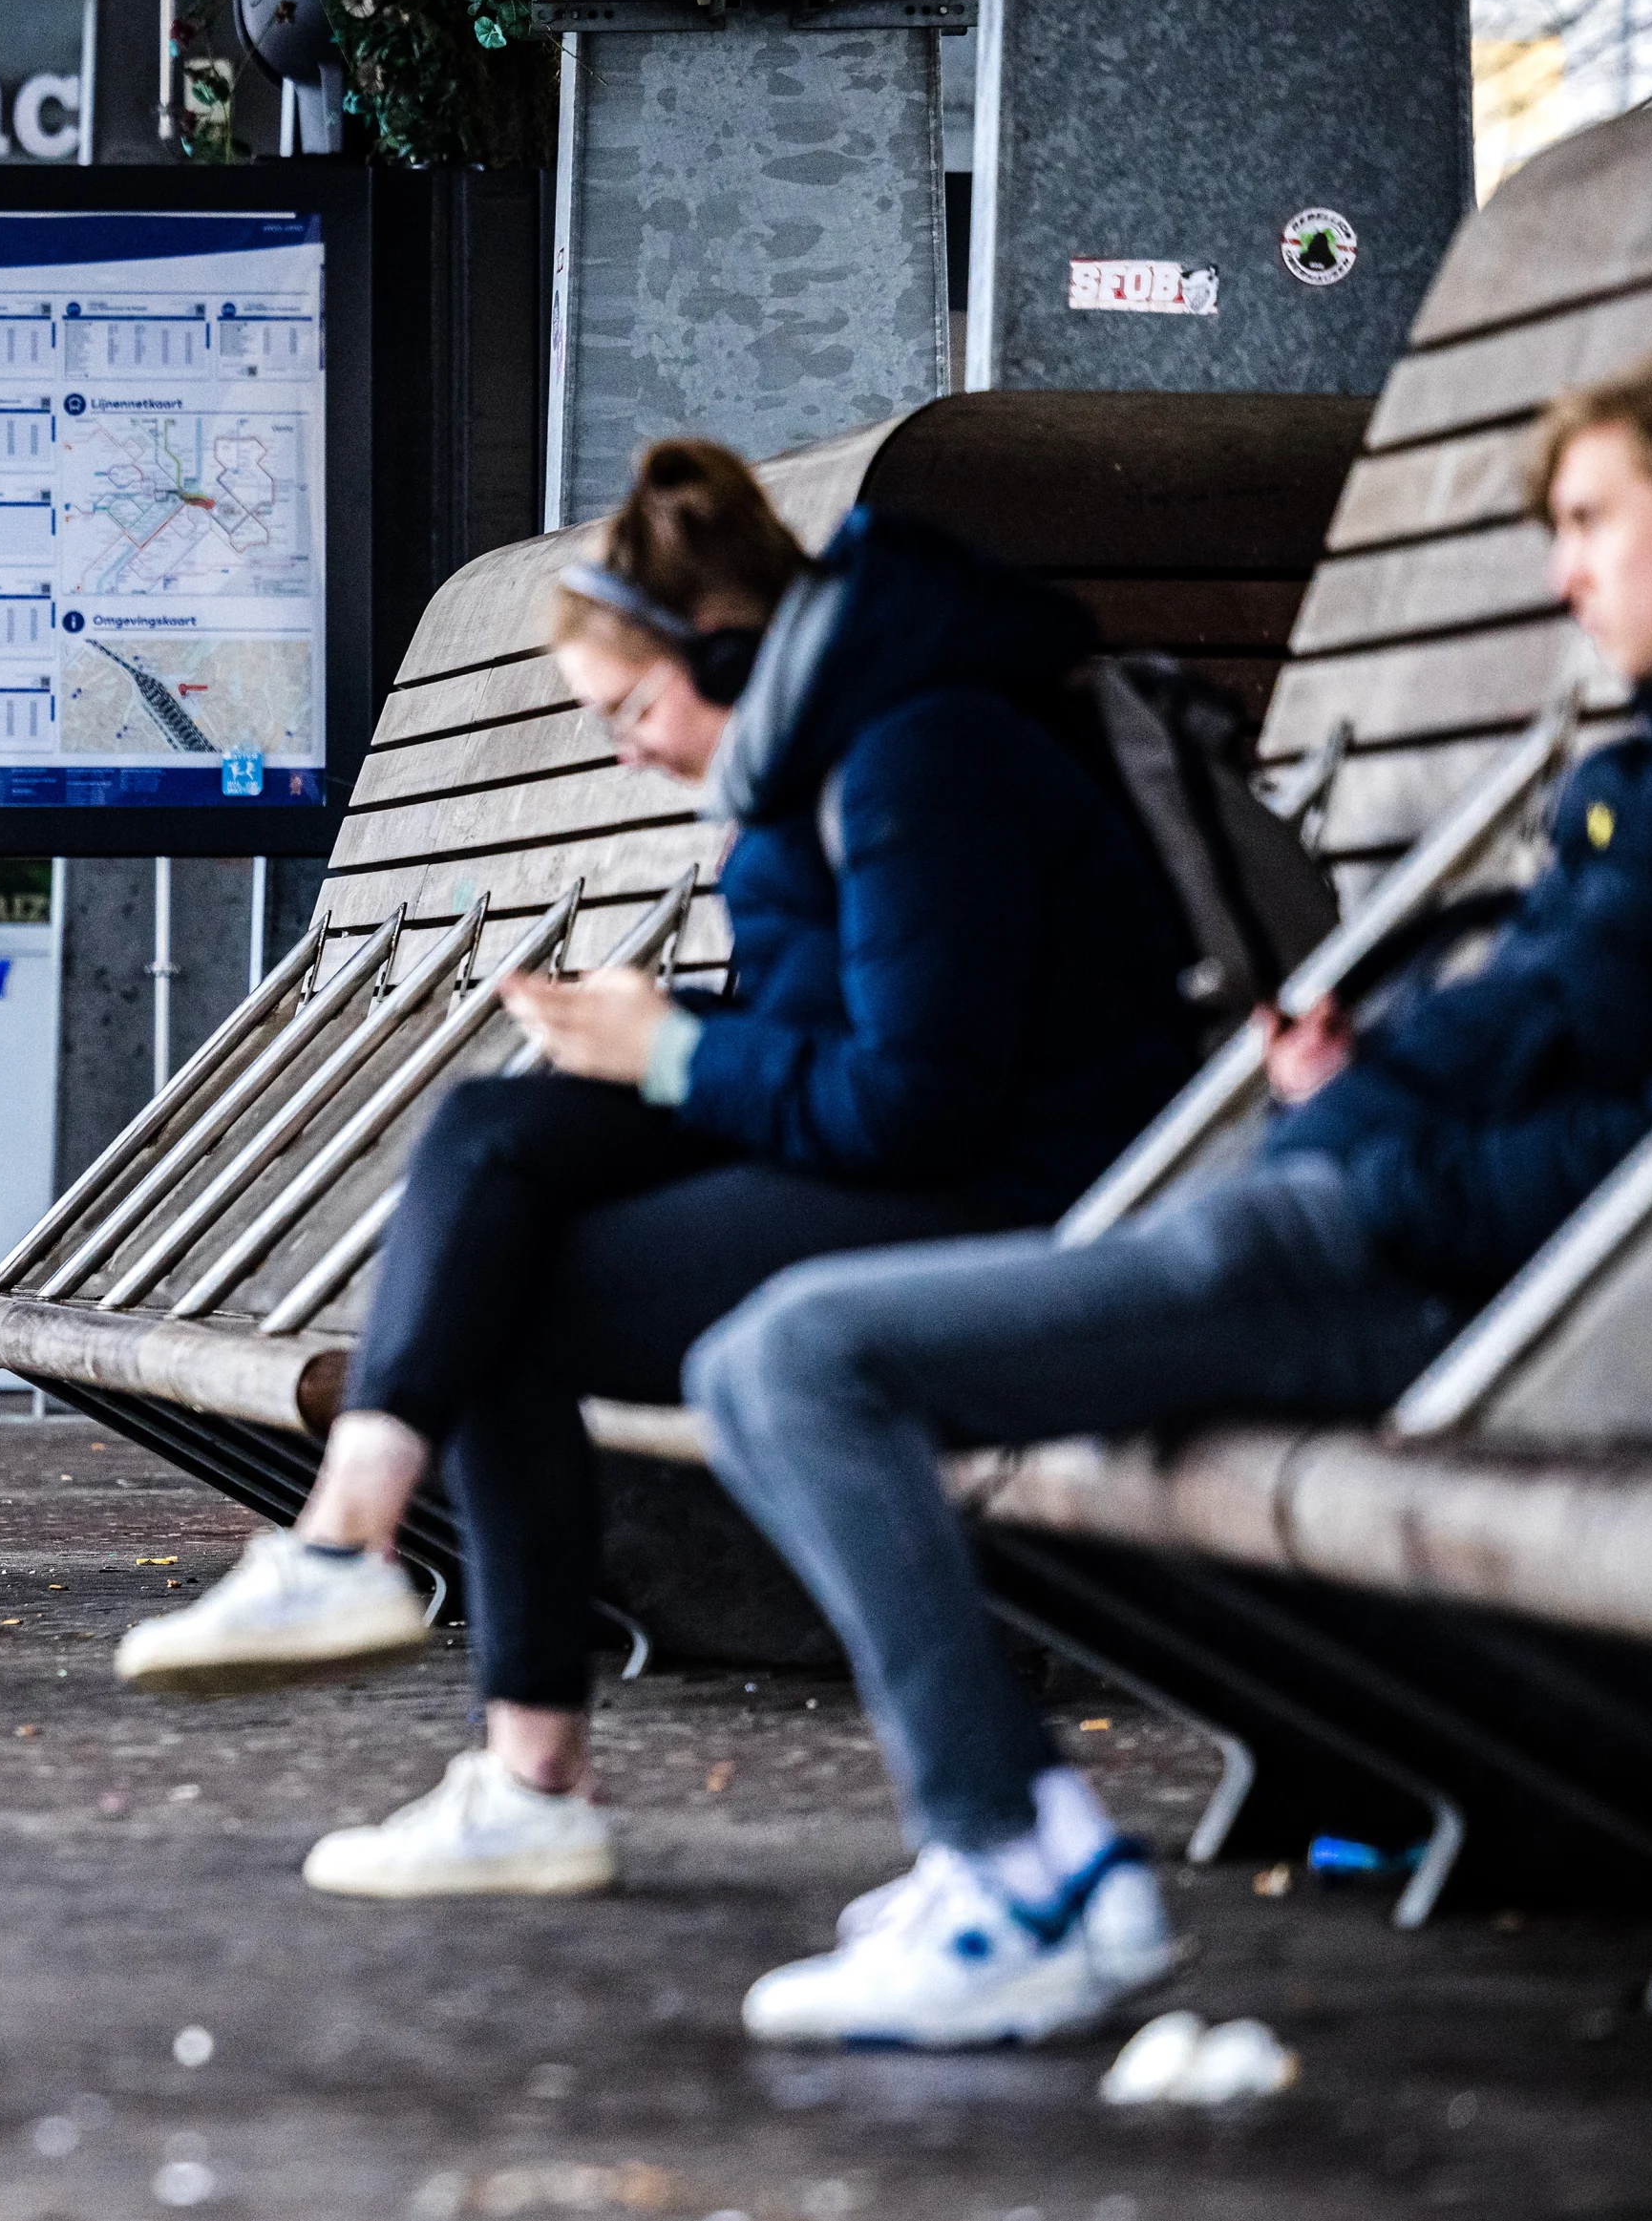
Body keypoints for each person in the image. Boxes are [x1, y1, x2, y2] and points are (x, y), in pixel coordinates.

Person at [687, 338, 1652, 2047]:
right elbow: (1583, 1052)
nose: (1567, 569)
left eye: (1591, 519)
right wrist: (1373, 1072)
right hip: (1337, 1222)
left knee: (799, 1363)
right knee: (749, 1363)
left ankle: (1019, 1864)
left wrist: (1393, 1167)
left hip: (1368, 1261)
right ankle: (1028, 1845)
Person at [112, 438, 1198, 1899]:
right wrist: (645, 1041)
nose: (626, 749)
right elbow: (832, 1024)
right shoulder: (824, 744)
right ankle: (364, 1559)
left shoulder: (918, 754)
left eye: (632, 708)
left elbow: (923, 1105)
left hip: (1014, 1191)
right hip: (910, 1140)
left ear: (733, 652)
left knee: (515, 1286)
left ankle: (501, 1738)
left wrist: (675, 1057)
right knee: (498, 1138)